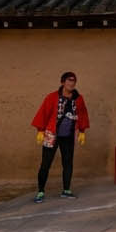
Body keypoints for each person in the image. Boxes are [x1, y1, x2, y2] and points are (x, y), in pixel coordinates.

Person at [31, 72, 89, 202]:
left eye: (74, 81)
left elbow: (83, 114)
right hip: (51, 134)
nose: (72, 83)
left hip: (68, 135)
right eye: (69, 80)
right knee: (45, 164)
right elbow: (43, 112)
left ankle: (66, 190)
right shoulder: (52, 97)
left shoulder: (78, 99)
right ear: (63, 82)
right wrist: (40, 130)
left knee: (68, 162)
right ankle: (40, 191)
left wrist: (82, 131)